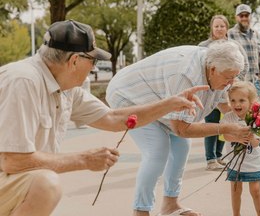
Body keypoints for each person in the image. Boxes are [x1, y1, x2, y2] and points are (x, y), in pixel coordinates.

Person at [0, 20, 210, 216]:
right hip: (10, 175)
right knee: (45, 184)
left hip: (9, 181)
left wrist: (170, 103)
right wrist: (84, 159)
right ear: (75, 60)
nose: (93, 69)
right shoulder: (23, 81)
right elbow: (13, 160)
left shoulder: (64, 88)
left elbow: (113, 118)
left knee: (44, 182)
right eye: (92, 61)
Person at [106, 40, 252, 216]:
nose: (231, 83)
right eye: (228, 78)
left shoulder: (219, 71)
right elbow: (181, 129)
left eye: (234, 77)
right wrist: (225, 129)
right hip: (129, 96)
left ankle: (170, 205)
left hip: (157, 96)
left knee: (181, 147)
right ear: (212, 69)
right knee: (157, 150)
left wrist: (254, 118)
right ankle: (141, 211)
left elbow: (225, 107)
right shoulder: (186, 75)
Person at [199, 15, 249, 171]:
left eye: (222, 26)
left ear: (227, 28)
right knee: (212, 123)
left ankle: (219, 156)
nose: (219, 29)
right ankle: (210, 159)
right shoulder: (203, 46)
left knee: (225, 121)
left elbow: (244, 64)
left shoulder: (234, 46)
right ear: (211, 28)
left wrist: (234, 80)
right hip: (210, 90)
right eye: (216, 26)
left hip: (229, 91)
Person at [228, 4, 260, 153]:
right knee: (242, 112)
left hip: (255, 80)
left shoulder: (256, 34)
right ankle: (243, 142)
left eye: (247, 15)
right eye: (241, 15)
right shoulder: (230, 34)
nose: (244, 18)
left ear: (250, 17)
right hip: (241, 82)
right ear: (237, 17)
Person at [221, 81, 260, 216]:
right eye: (233, 100)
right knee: (235, 190)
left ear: (251, 102)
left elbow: (256, 143)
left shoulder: (256, 119)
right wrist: (238, 138)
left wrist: (251, 134)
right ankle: (236, 214)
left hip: (253, 162)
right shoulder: (228, 118)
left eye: (241, 100)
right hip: (235, 164)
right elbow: (226, 136)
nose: (236, 104)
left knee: (256, 190)